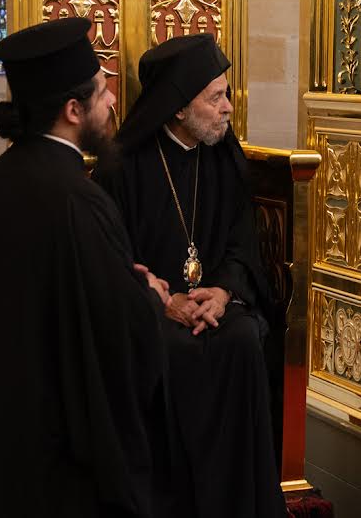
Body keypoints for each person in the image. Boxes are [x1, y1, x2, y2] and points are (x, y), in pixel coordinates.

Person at [0, 17, 176, 518]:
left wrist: (125, 279)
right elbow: (116, 330)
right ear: (73, 110)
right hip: (57, 460)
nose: (112, 102)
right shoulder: (76, 198)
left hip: (3, 444)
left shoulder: (0, 179)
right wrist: (150, 297)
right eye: (102, 91)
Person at [93, 33, 285, 518]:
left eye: (226, 94)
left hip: (215, 305)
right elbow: (108, 257)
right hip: (150, 312)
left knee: (242, 340)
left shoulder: (223, 156)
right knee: (171, 349)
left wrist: (222, 291)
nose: (228, 108)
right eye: (215, 97)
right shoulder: (122, 166)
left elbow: (242, 243)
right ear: (178, 107)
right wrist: (162, 301)